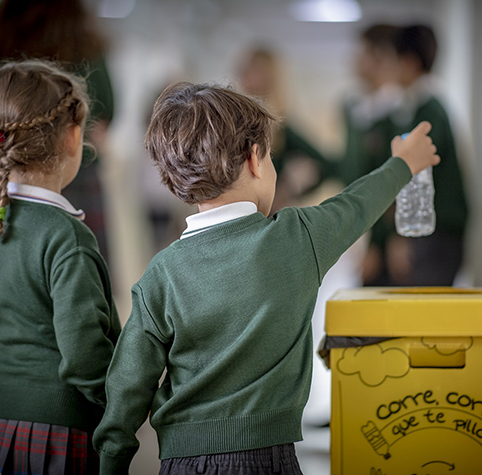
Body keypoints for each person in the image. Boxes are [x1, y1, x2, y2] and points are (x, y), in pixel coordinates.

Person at [93, 82, 439, 473]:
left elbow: (127, 387)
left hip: (183, 462)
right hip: (269, 460)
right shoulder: (298, 237)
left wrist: (110, 463)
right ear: (255, 159)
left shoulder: (161, 273)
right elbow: (358, 203)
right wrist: (404, 163)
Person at [0, 60, 121, 474]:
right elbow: (85, 352)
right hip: (57, 433)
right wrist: (122, 406)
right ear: (74, 137)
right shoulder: (66, 236)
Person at [0, 0, 115, 263]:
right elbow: (107, 112)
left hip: (9, 181)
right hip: (80, 177)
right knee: (85, 266)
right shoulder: (86, 50)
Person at [388, 25, 469, 285]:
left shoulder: (428, 112)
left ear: (409, 63)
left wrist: (403, 237)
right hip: (438, 231)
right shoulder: (424, 107)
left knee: (425, 315)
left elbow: (414, 174)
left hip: (436, 233)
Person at [339, 24, 406, 285]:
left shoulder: (398, 113)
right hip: (366, 227)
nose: (356, 60)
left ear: (381, 57)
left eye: (362, 52)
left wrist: (381, 243)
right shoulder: (363, 111)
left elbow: (393, 184)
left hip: (390, 242)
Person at [236, 46, 334, 212]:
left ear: (270, 78)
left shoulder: (279, 127)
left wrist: (286, 192)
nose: (244, 74)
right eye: (244, 68)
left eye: (253, 69)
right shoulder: (231, 121)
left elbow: (325, 165)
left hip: (263, 214)